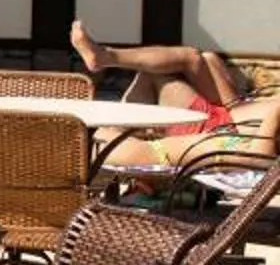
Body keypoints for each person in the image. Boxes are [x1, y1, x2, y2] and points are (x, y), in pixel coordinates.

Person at [70, 22, 280, 169]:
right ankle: (103, 59)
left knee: (182, 61)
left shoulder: (252, 139)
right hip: (232, 113)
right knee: (203, 58)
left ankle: (104, 58)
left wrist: (270, 112)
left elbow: (260, 155)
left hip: (222, 127)